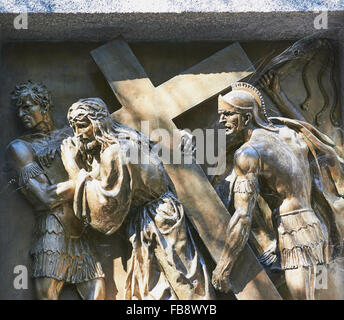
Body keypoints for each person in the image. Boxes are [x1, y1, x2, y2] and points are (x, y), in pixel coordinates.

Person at [60, 97, 215, 300]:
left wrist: (72, 166)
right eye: (75, 128)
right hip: (155, 219)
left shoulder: (113, 153)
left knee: (183, 284)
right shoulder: (128, 137)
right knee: (164, 287)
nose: (79, 134)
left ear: (99, 123)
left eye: (83, 126)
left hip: (157, 224)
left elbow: (105, 205)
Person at [211, 81, 344, 300]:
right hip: (316, 227)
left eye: (227, 114)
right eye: (221, 114)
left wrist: (224, 266)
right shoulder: (287, 132)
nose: (221, 120)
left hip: (294, 235)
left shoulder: (248, 153)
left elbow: (243, 216)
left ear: (246, 117)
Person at [6, 81, 105, 300]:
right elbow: (45, 197)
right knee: (46, 295)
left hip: (80, 227)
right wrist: (91, 177)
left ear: (44, 106)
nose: (22, 114)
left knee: (98, 294)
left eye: (27, 106)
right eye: (18, 110)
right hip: (52, 227)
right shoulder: (20, 148)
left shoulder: (70, 137)